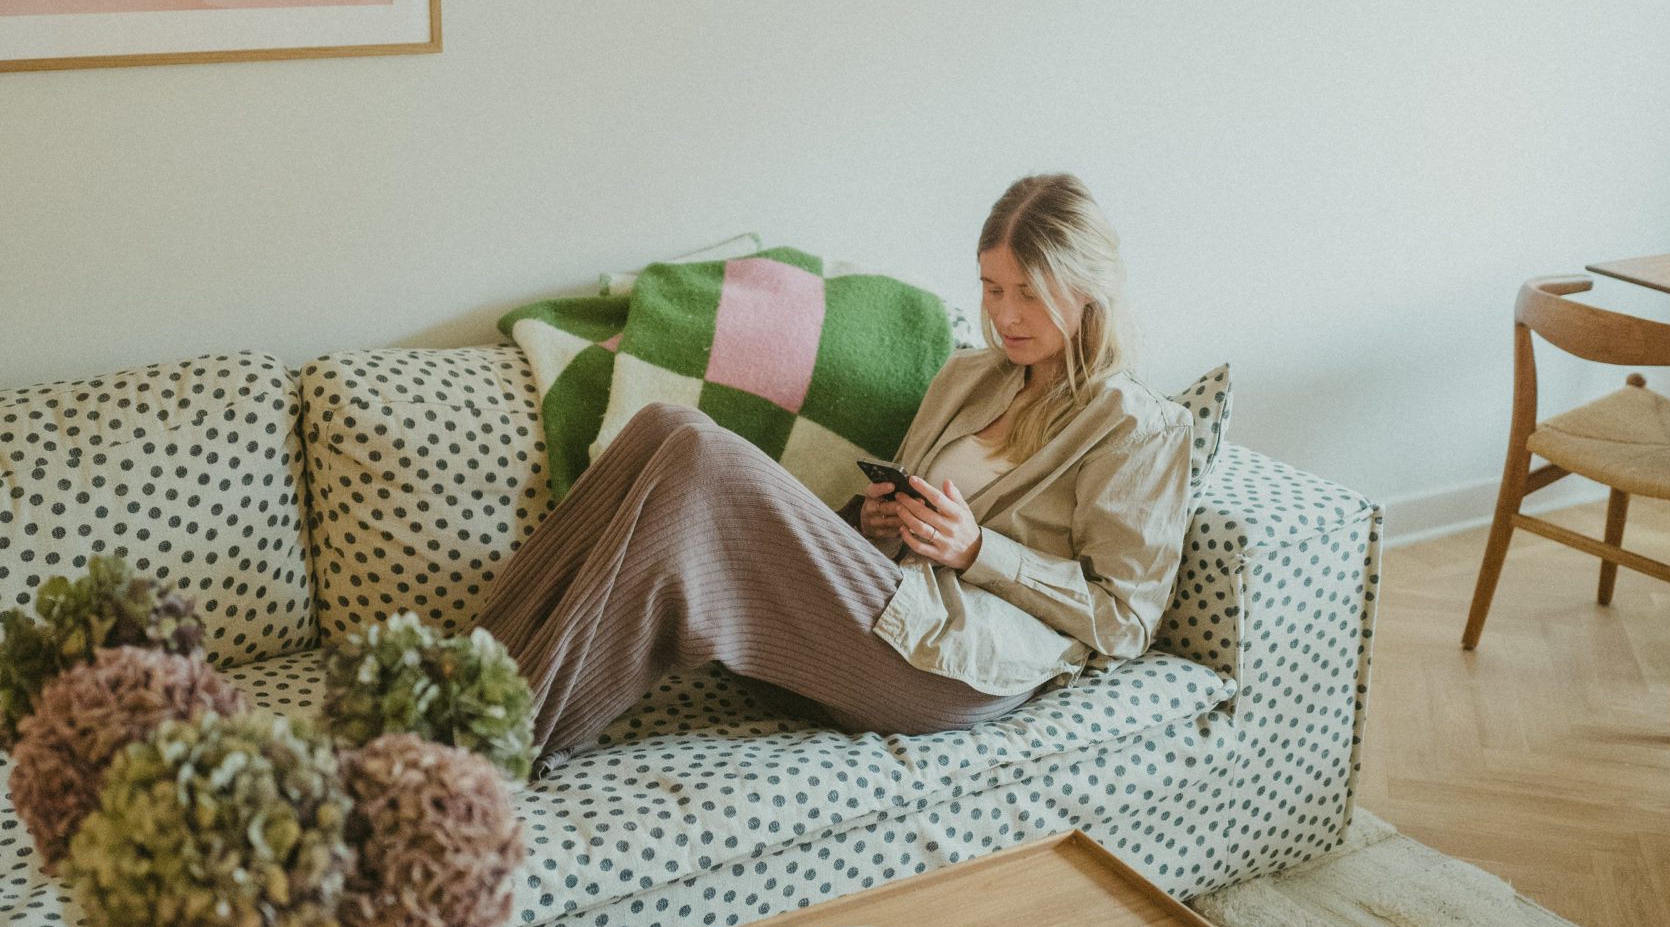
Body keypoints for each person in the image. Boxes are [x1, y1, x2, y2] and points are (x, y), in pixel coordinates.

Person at [476, 172, 1193, 765]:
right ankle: (459, 683)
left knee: (700, 456)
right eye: (991, 287)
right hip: (881, 616)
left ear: (1087, 288)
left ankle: (492, 751)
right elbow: (890, 536)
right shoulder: (970, 376)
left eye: (1028, 291)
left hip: (956, 664)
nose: (1003, 314)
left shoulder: (1136, 427)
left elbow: (1126, 619)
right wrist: (873, 519)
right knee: (667, 426)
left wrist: (978, 552)